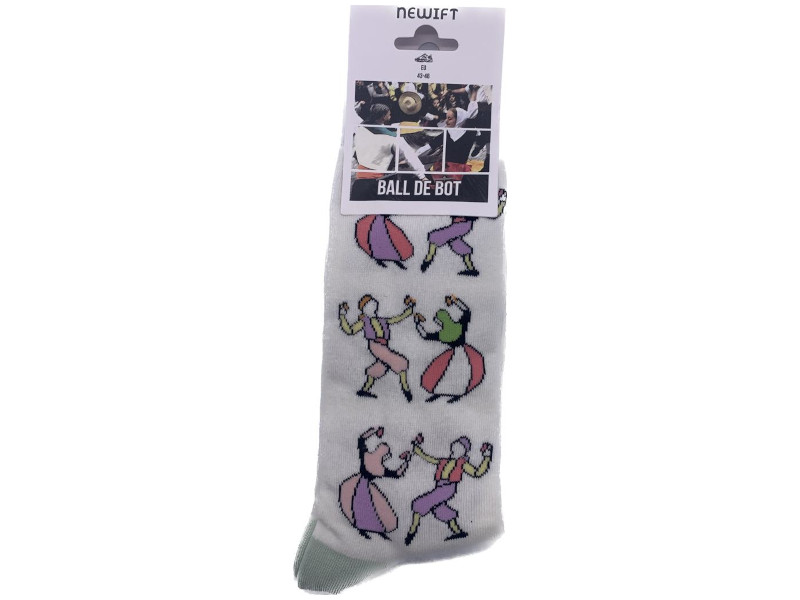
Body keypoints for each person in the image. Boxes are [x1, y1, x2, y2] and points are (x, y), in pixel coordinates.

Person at [404, 433, 493, 545]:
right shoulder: (444, 461)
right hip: (440, 487)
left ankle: (411, 532)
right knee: (440, 510)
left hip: (447, 489)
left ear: (463, 452)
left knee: (420, 503)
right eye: (455, 445)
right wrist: (417, 450)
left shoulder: (462, 464)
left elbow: (477, 472)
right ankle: (458, 532)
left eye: (459, 447)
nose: (455, 448)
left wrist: (486, 458)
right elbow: (430, 459)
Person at [339, 295, 416, 401]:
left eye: (374, 304)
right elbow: (350, 330)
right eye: (370, 305)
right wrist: (342, 315)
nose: (374, 306)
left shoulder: (382, 320)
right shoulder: (364, 322)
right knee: (400, 362)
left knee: (380, 368)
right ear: (365, 309)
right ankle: (406, 390)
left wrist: (410, 309)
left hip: (383, 346)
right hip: (375, 345)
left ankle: (364, 390)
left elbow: (397, 318)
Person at [339, 426, 411, 540]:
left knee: (359, 506)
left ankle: (362, 528)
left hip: (357, 483)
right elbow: (397, 473)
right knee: (369, 508)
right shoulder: (380, 469)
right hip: (365, 487)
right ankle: (371, 528)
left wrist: (373, 431)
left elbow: (361, 439)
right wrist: (406, 461)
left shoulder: (366, 456)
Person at [420, 188, 507, 276]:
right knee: (457, 244)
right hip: (460, 225)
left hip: (462, 225)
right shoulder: (465, 196)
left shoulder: (476, 201)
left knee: (435, 236)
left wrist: (502, 202)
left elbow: (494, 214)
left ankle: (427, 261)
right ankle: (471, 269)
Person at [351, 104, 430, 201]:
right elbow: (410, 156)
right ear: (383, 117)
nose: (390, 116)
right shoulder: (393, 137)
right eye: (389, 114)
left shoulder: (360, 129)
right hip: (377, 184)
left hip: (359, 183)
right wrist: (422, 176)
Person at [414, 295, 485, 403]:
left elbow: (425, 335)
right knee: (464, 371)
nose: (437, 323)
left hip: (455, 354)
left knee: (445, 372)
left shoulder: (442, 334)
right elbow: (467, 311)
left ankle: (450, 391)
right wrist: (455, 301)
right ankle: (457, 392)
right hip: (465, 351)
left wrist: (417, 323)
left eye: (438, 321)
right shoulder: (460, 325)